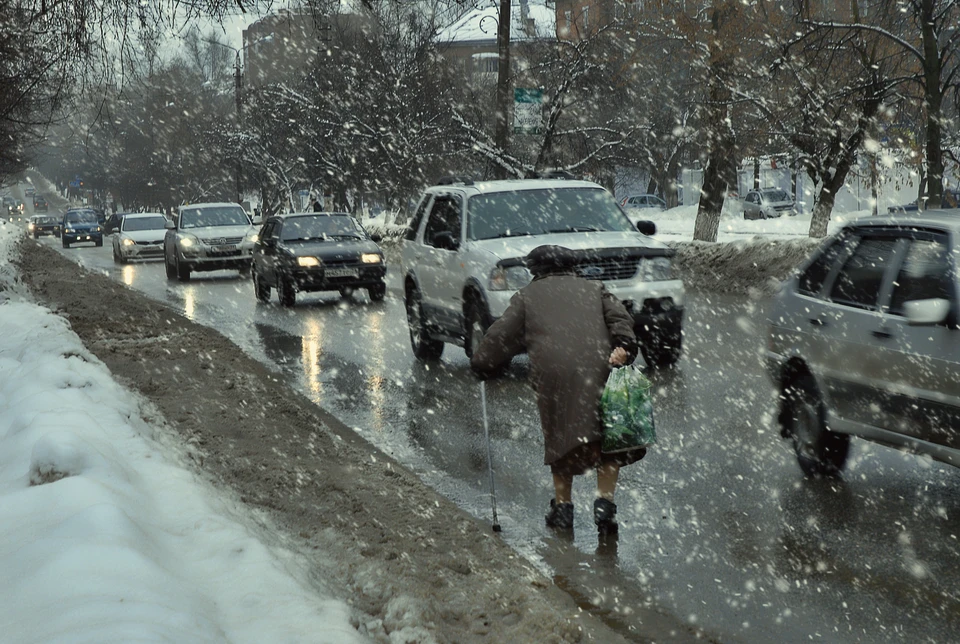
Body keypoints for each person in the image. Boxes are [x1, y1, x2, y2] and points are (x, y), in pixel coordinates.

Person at [470, 245, 645, 533]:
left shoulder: (526, 297)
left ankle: (563, 509)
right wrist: (624, 345)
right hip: (599, 366)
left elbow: (500, 336)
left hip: (553, 374)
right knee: (608, 438)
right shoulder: (594, 288)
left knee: (561, 437)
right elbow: (620, 318)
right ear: (572, 266)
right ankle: (604, 506)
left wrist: (482, 364)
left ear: (535, 270)